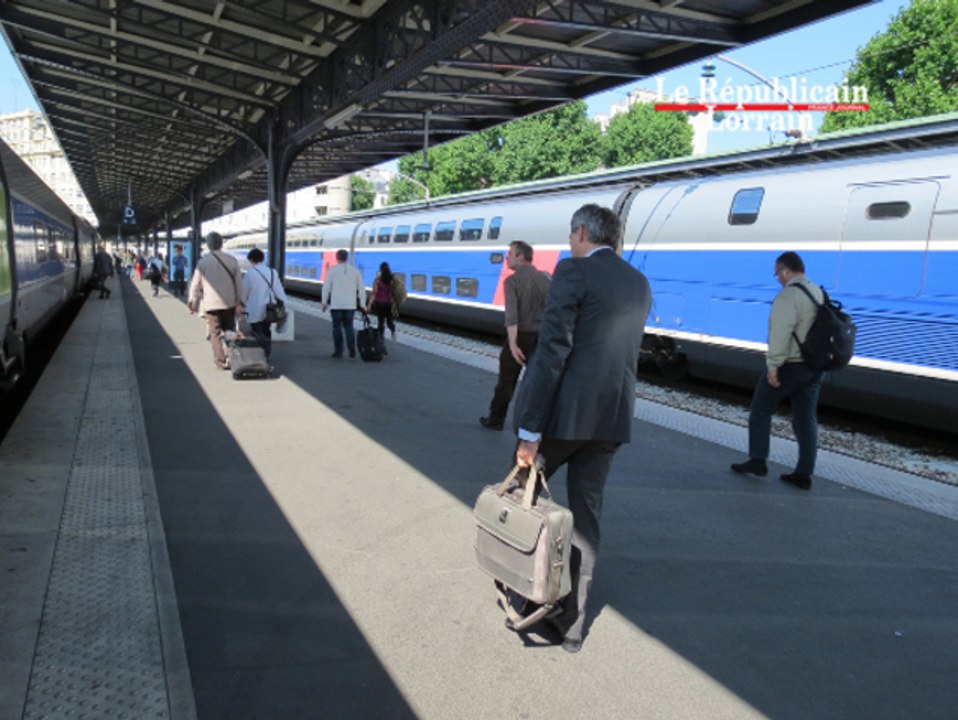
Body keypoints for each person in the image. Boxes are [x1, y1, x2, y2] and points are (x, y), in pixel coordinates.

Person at [512, 204, 652, 653]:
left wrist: (530, 429)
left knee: (523, 499)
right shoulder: (638, 282)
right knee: (586, 520)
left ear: (580, 234)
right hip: (611, 420)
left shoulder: (573, 272)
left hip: (564, 419)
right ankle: (572, 626)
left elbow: (552, 352)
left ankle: (526, 594)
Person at [731, 251, 823, 490]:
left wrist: (773, 366)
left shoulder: (789, 295)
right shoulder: (817, 292)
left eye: (777, 274)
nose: (778, 279)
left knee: (761, 409)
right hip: (814, 366)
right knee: (806, 419)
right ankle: (804, 473)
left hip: (791, 365)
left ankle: (757, 460)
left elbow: (780, 333)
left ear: (785, 271)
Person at [479, 241, 551, 431]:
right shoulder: (546, 278)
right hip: (542, 338)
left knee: (506, 383)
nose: (506, 257)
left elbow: (512, 317)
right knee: (536, 384)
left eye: (510, 254)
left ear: (520, 256)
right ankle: (533, 427)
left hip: (521, 337)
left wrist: (512, 343)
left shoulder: (512, 281)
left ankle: (495, 420)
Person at [188, 232, 244, 370]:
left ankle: (220, 361)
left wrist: (192, 302)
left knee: (215, 333)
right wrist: (240, 302)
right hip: (229, 303)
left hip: (211, 304)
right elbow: (239, 284)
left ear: (208, 245)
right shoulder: (232, 261)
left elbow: (195, 284)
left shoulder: (203, 262)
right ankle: (231, 357)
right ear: (221, 244)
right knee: (230, 331)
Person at [242, 248, 287, 361]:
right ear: (262, 259)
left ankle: (258, 357)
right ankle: (266, 355)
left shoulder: (250, 274)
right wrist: (283, 304)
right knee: (266, 332)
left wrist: (241, 305)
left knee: (256, 333)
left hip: (254, 309)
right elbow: (279, 291)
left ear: (251, 260)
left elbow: (244, 292)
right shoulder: (272, 272)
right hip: (269, 310)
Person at [321, 249, 365, 358]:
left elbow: (326, 287)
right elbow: (361, 289)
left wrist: (324, 302)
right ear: (347, 258)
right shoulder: (355, 271)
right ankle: (351, 349)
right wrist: (363, 304)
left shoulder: (332, 270)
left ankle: (338, 351)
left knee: (337, 329)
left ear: (337, 258)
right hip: (350, 305)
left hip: (336, 305)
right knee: (349, 327)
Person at [365, 262, 398, 343]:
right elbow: (395, 292)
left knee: (381, 322)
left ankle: (381, 339)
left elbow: (374, 294)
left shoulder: (377, 280)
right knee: (389, 321)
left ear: (380, 270)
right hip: (388, 304)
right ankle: (393, 331)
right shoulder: (392, 280)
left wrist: (369, 305)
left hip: (379, 304)